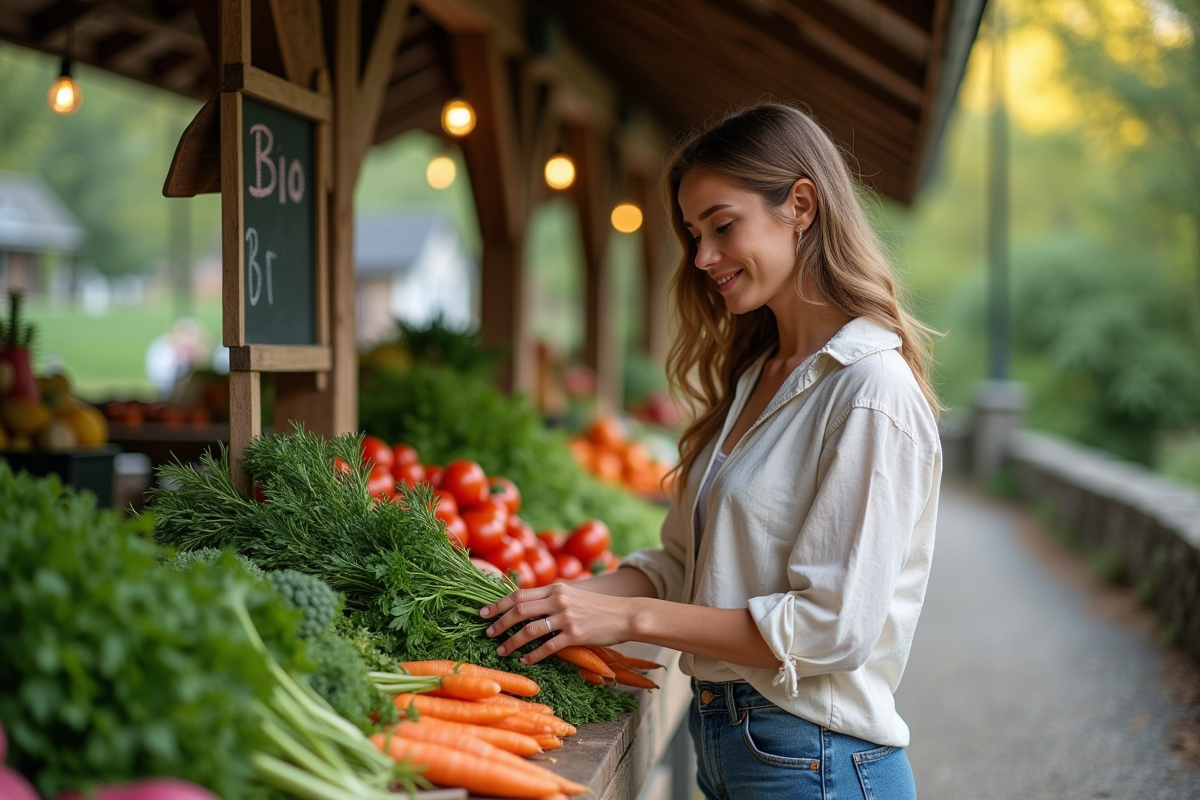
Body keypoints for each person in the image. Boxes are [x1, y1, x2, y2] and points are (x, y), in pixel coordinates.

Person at [480, 103, 942, 799]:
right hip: (735, 743)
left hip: (818, 758)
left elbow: (831, 628)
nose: (702, 258)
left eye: (723, 227)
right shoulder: (758, 374)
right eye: (695, 235)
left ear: (802, 206)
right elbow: (681, 565)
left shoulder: (869, 389)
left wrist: (631, 620)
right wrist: (557, 602)